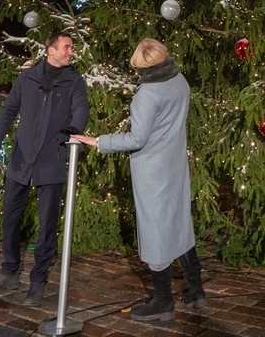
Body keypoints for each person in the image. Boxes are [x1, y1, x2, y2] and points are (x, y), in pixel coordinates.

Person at [72, 38, 204, 322]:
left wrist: (98, 141)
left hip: (153, 172)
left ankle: (164, 303)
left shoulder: (147, 94)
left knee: (155, 231)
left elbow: (136, 138)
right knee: (180, 222)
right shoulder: (180, 80)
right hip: (175, 164)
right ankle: (196, 290)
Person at [0, 31, 88, 307]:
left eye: (71, 48)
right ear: (49, 50)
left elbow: (81, 110)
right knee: (10, 217)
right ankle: (9, 271)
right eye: (66, 47)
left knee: (46, 225)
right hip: (21, 159)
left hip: (51, 158)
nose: (70, 52)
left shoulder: (74, 81)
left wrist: (73, 131)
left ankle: (38, 280)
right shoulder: (27, 77)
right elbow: (9, 109)